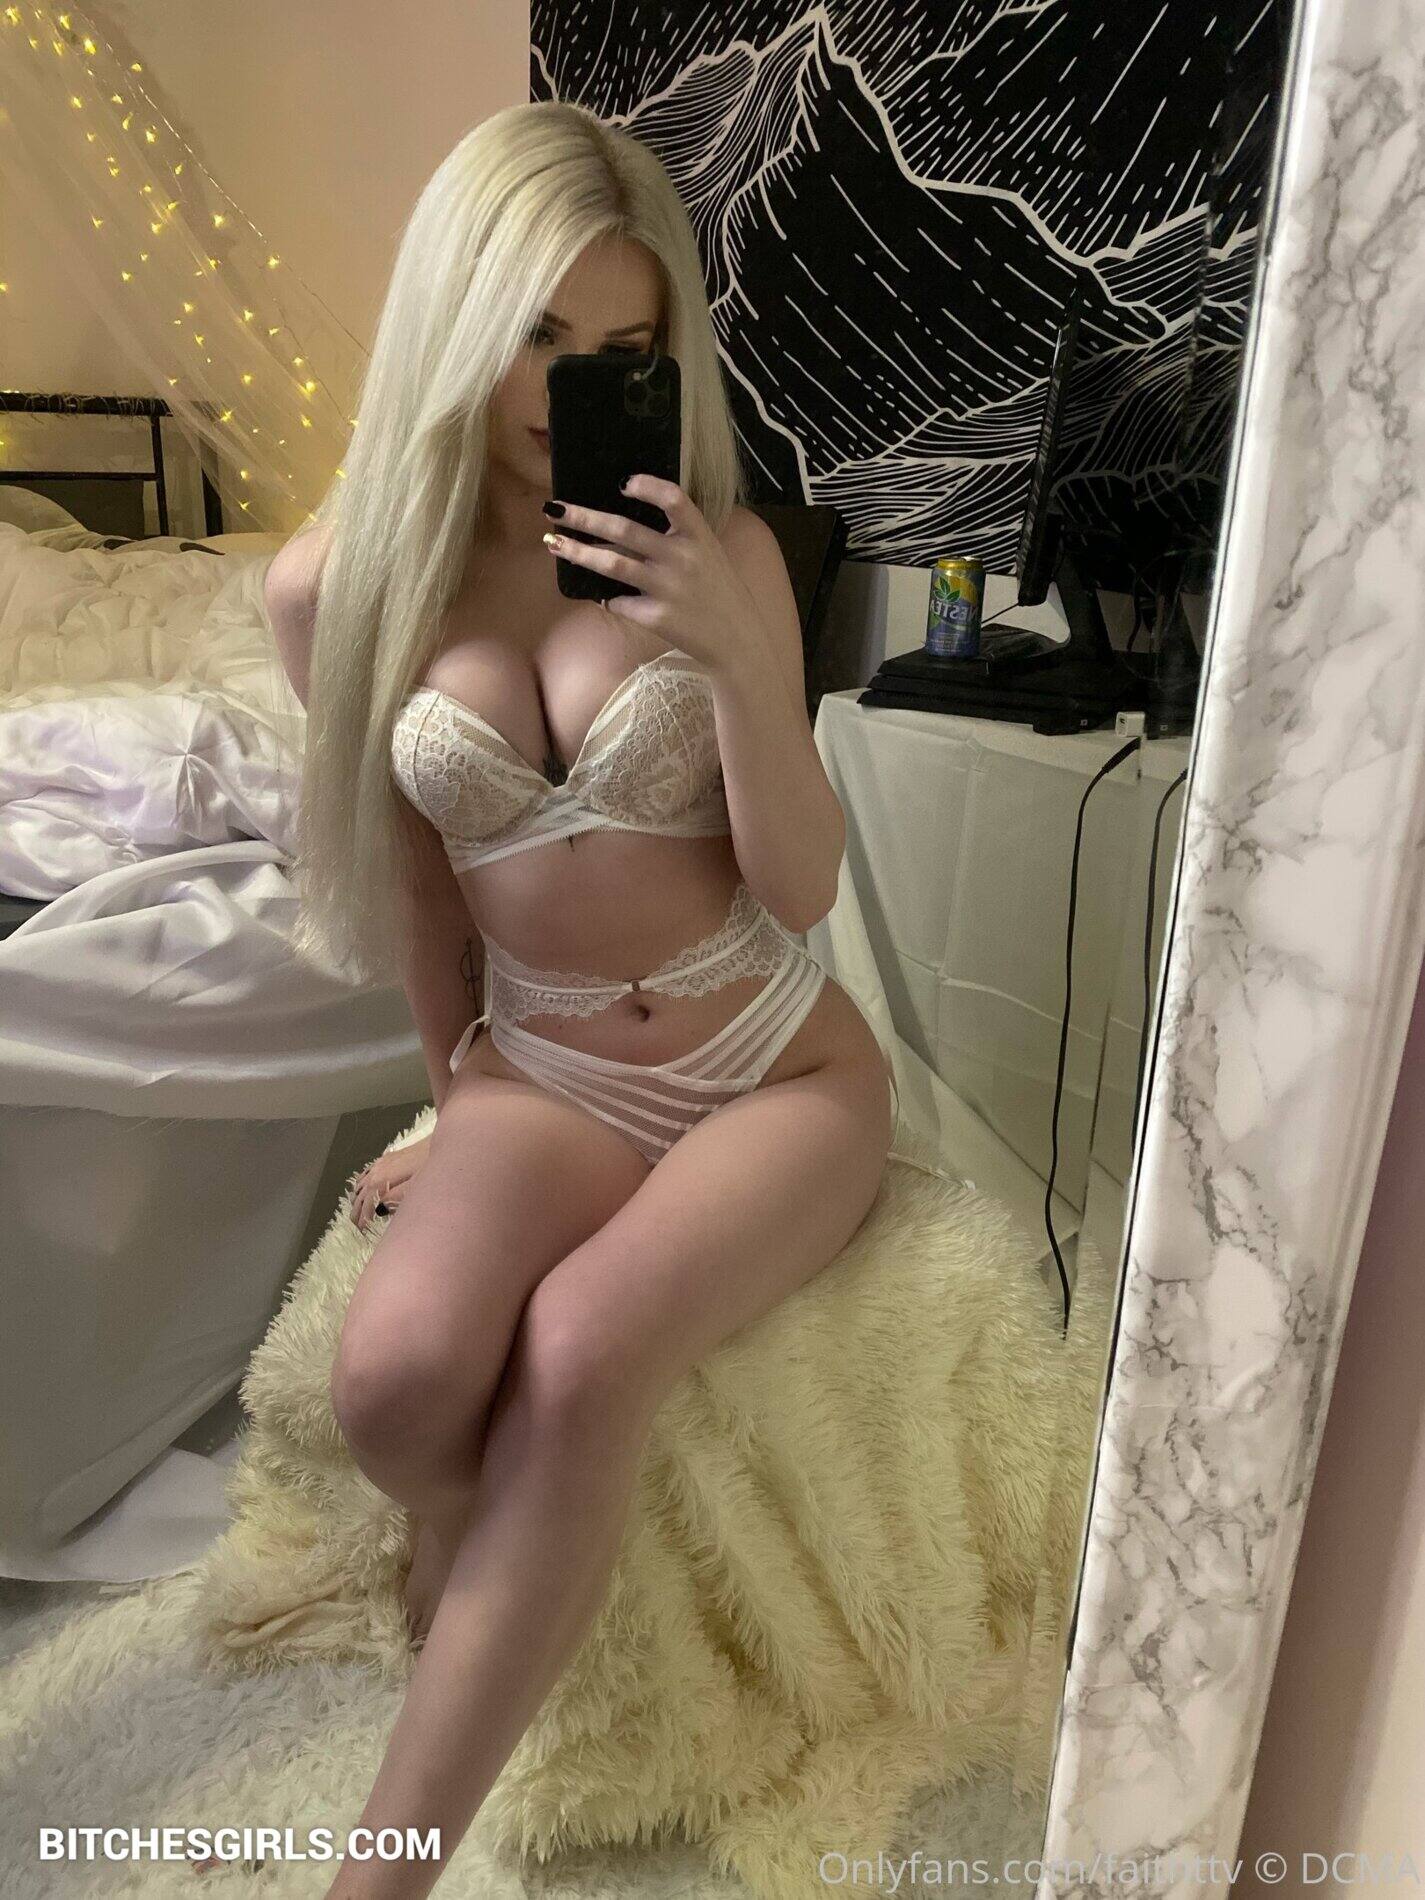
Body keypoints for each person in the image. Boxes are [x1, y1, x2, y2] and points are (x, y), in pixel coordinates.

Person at [263, 98, 896, 1900]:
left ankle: (379, 1873)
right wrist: (451, 1105)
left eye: (624, 346)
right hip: (542, 1076)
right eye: (539, 334)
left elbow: (800, 890)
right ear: (458, 316)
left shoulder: (722, 552)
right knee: (394, 1390)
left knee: (582, 1343)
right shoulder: (337, 588)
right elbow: (416, 889)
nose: (574, 387)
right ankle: (495, 1575)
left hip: (768, 1066)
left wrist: (737, 656)